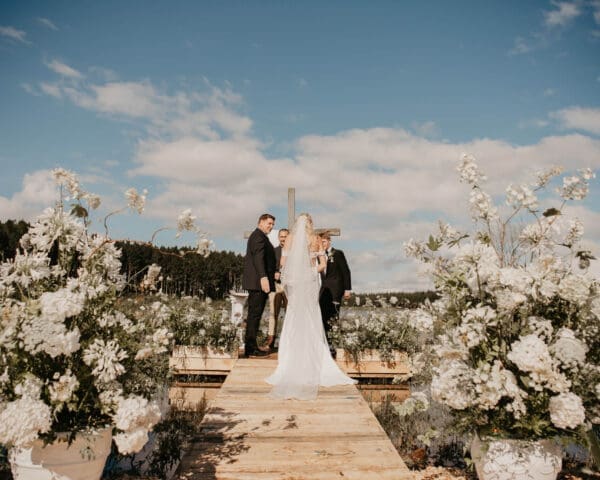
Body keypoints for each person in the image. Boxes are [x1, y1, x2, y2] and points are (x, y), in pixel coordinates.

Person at [265, 214, 356, 399]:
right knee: (311, 316)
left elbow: (283, 263)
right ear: (311, 224)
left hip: (297, 284)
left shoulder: (289, 238)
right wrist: (310, 271)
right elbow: (322, 265)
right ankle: (315, 359)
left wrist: (295, 273)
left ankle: (291, 361)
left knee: (294, 316)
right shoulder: (315, 239)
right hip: (310, 283)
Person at [242, 213, 277, 358]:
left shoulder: (260, 236)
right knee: (254, 316)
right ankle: (250, 348)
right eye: (269, 223)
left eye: (272, 224)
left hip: (259, 282)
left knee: (255, 315)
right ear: (261, 222)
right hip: (258, 283)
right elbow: (258, 258)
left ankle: (252, 346)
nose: (271, 226)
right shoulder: (258, 236)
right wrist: (263, 277)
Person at [319, 232, 352, 358]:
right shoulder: (318, 256)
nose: (322, 244)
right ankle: (323, 345)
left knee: (333, 318)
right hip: (322, 292)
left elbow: (346, 272)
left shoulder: (338, 253)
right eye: (320, 242)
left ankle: (332, 345)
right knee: (322, 318)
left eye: (324, 242)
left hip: (335, 291)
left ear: (329, 241)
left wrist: (347, 289)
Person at [262, 228, 289, 352]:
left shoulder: (294, 252)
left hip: (289, 287)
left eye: (285, 236)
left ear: (289, 238)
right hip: (276, 286)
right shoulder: (274, 251)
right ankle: (271, 340)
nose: (283, 238)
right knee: (273, 313)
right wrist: (274, 274)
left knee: (290, 314)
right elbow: (268, 267)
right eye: (281, 236)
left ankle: (289, 341)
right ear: (279, 238)